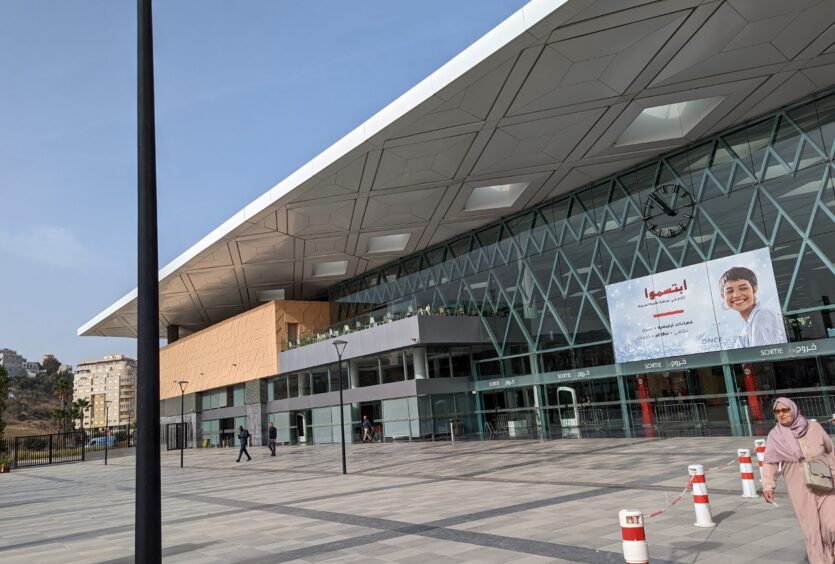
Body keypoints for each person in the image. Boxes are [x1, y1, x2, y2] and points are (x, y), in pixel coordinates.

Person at [763, 397, 835, 563]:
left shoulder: (814, 426)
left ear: (793, 409)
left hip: (826, 482)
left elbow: (830, 450)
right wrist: (768, 486)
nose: (781, 414)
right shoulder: (774, 436)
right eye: (777, 412)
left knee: (832, 524)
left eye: (785, 410)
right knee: (812, 531)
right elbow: (770, 462)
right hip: (799, 487)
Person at [719, 266, 786, 348]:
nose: (736, 295)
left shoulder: (762, 317)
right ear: (723, 296)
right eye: (729, 291)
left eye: (743, 288)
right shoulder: (747, 326)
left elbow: (763, 357)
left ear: (754, 289)